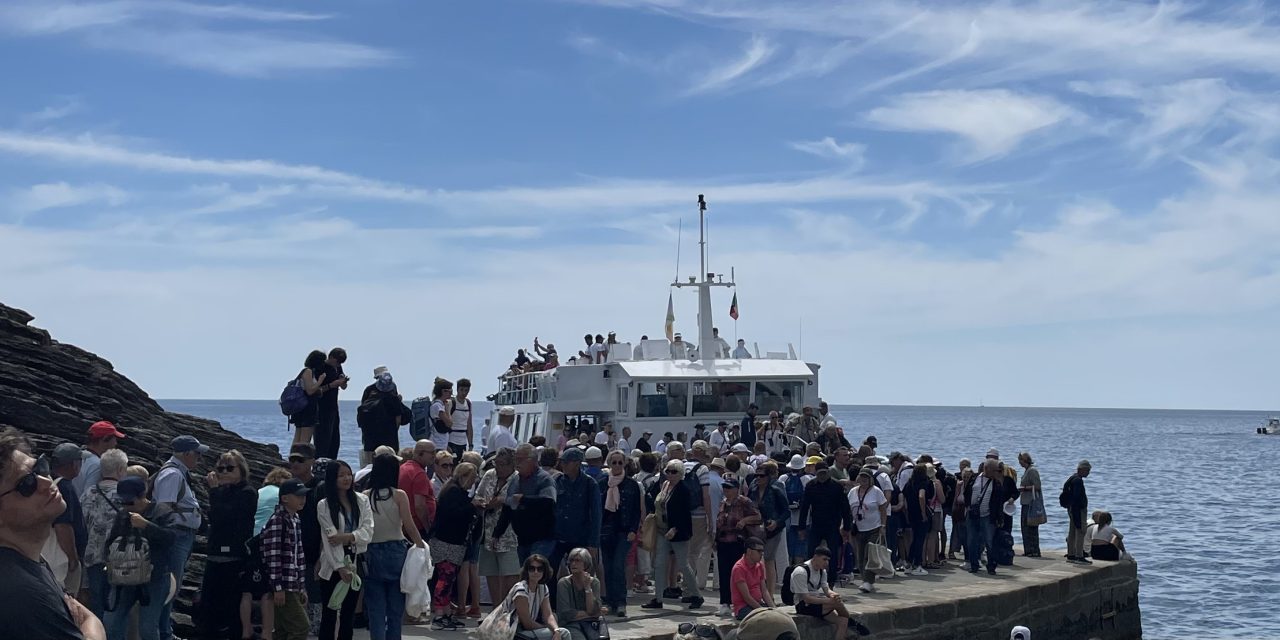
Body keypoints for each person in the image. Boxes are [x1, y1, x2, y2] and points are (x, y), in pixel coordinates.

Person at [0, 428, 106, 640]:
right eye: (26, 485)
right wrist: (92, 626)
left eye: (39, 467)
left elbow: (81, 614)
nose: (46, 482)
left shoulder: (30, 561)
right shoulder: (22, 595)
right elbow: (87, 619)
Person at [363, 454, 427, 640]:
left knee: (375, 606)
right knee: (395, 607)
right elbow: (408, 524)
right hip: (395, 551)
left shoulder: (366, 496)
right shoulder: (399, 495)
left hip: (372, 550)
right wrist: (420, 545)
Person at [104, 476, 175, 640]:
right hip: (124, 578)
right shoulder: (122, 515)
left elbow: (171, 539)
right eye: (122, 502)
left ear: (142, 496)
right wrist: (111, 561)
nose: (125, 506)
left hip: (154, 578)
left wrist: (147, 526)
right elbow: (110, 542)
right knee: (111, 623)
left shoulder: (162, 511)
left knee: (148, 629)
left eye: (129, 502)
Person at [153, 434, 208, 639]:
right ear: (186, 454)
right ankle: (162, 632)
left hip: (181, 535)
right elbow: (163, 508)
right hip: (175, 536)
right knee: (169, 586)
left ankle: (165, 630)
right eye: (197, 454)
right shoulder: (173, 475)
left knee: (171, 586)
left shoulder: (179, 473)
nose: (199, 459)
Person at [200, 450, 259, 640]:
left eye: (230, 468)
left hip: (234, 557)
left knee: (232, 607)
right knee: (209, 606)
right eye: (220, 468)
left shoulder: (247, 492)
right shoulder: (222, 491)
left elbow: (226, 516)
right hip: (215, 554)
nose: (224, 472)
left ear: (241, 470)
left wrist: (215, 491)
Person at [316, 460, 373, 640]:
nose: (346, 478)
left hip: (355, 556)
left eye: (348, 474)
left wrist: (348, 536)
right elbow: (330, 539)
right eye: (341, 475)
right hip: (333, 562)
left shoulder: (361, 500)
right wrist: (340, 567)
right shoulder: (324, 505)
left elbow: (368, 531)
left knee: (348, 613)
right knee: (330, 612)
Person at [641, 460, 703, 610]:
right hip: (663, 531)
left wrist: (675, 529)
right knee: (659, 564)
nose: (670, 474)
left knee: (683, 564)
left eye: (674, 471)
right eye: (667, 471)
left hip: (678, 532)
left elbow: (684, 514)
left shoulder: (684, 490)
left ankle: (696, 595)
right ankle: (658, 598)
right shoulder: (664, 486)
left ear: (681, 474)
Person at [429, 461, 479, 631]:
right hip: (447, 542)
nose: (473, 482)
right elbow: (454, 514)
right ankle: (439, 615)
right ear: (464, 476)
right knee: (445, 579)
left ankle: (446, 612)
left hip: (452, 542)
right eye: (472, 478)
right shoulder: (453, 491)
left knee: (448, 579)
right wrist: (472, 506)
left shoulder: (453, 489)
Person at [80, 448, 127, 617]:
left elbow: (81, 524)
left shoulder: (89, 493)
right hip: (119, 557)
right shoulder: (125, 495)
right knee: (116, 604)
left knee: (96, 602)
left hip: (92, 556)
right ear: (121, 470)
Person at [262, 479, 311, 640]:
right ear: (284, 498)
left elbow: (298, 556)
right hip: (282, 584)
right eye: (298, 496)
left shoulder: (295, 519)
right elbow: (273, 555)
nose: (302, 499)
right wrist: (278, 588)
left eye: (304, 495)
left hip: (293, 584)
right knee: (301, 627)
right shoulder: (278, 520)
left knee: (283, 629)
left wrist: (301, 586)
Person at [597, 450, 641, 617]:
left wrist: (633, 530)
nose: (616, 466)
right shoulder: (601, 483)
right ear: (609, 464)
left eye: (619, 462)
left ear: (625, 464)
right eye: (613, 462)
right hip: (605, 531)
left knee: (618, 565)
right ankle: (609, 600)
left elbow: (636, 510)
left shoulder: (632, 485)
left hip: (624, 531)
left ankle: (621, 601)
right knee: (607, 567)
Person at [477, 447, 521, 610]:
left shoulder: (518, 479)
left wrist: (502, 501)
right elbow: (477, 496)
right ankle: (496, 611)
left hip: (510, 536)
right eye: (496, 463)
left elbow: (517, 503)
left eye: (503, 464)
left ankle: (509, 611)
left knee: (510, 575)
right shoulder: (489, 475)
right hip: (487, 533)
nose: (498, 467)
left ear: (512, 465)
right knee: (491, 572)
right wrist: (485, 504)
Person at [797, 463, 852, 585]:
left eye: (824, 473)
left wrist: (847, 528)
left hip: (833, 526)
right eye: (820, 473)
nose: (822, 475)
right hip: (816, 525)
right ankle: (811, 582)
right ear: (816, 473)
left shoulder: (836, 486)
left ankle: (830, 584)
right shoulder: (811, 486)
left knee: (831, 556)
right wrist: (801, 528)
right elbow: (804, 508)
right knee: (811, 554)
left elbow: (845, 509)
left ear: (828, 472)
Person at [552, 448, 601, 587]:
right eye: (562, 462)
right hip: (558, 535)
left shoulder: (590, 484)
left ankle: (581, 603)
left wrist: (593, 543)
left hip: (580, 536)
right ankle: (553, 603)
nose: (564, 465)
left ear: (578, 464)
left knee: (581, 572)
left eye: (567, 462)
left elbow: (596, 514)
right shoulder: (557, 481)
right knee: (550, 570)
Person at [714, 479, 763, 617]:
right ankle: (725, 602)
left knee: (737, 573)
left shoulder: (744, 502)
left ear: (736, 489)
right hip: (723, 541)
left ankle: (741, 602)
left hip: (737, 541)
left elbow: (758, 516)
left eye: (729, 488)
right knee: (724, 573)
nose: (726, 490)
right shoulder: (723, 503)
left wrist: (744, 521)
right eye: (725, 488)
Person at [790, 548, 855, 639]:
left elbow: (826, 590)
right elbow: (806, 598)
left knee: (843, 621)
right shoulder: (801, 572)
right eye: (824, 559)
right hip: (803, 605)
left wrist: (834, 595)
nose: (827, 563)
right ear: (816, 557)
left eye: (828, 560)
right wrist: (829, 601)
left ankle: (849, 627)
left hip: (817, 603)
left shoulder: (822, 571)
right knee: (837, 603)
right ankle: (854, 625)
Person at [964, 460, 1014, 575]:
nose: (997, 472)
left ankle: (991, 566)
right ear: (987, 469)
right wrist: (968, 508)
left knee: (989, 541)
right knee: (972, 541)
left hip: (988, 516)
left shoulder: (996, 483)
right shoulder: (974, 478)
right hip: (973, 515)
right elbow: (967, 493)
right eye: (995, 470)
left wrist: (999, 518)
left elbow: (999, 502)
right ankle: (974, 565)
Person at [51, 442, 87, 592]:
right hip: (62, 559)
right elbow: (63, 525)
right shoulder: (65, 487)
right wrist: (72, 558)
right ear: (74, 464)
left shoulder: (49, 483)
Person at [509, 555, 570, 640]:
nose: (536, 572)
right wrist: (546, 628)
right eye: (532, 568)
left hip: (527, 631)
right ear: (527, 571)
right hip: (514, 632)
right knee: (565, 634)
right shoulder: (521, 589)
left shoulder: (543, 588)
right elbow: (527, 623)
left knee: (558, 631)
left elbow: (548, 615)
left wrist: (556, 630)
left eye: (540, 569)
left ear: (544, 571)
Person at [358, 368, 409, 467]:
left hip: (370, 438)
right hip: (389, 438)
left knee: (371, 466)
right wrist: (393, 430)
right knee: (390, 464)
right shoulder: (393, 397)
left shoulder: (369, 392)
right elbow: (398, 418)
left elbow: (362, 414)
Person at [850, 467, 889, 593]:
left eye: (866, 477)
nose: (863, 479)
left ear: (870, 479)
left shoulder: (876, 491)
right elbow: (848, 509)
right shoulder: (852, 492)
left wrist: (883, 526)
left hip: (874, 527)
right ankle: (865, 580)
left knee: (869, 554)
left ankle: (868, 581)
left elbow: (883, 508)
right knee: (860, 556)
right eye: (861, 477)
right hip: (858, 528)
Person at [556, 547, 602, 640]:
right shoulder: (563, 583)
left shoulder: (594, 582)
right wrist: (592, 614)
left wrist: (588, 588)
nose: (573, 564)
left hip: (591, 624)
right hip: (570, 625)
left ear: (585, 564)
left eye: (577, 561)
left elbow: (593, 609)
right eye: (571, 560)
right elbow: (565, 614)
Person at [74, 420, 126, 497]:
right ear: (105, 439)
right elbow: (88, 496)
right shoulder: (97, 465)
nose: (116, 443)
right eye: (114, 439)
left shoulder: (77, 456)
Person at [398, 441, 437, 540]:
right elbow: (419, 506)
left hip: (405, 525)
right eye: (432, 453)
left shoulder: (403, 468)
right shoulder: (419, 474)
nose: (434, 456)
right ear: (420, 453)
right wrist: (427, 528)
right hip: (417, 527)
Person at [316, 347, 349, 460]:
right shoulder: (320, 367)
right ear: (331, 357)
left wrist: (342, 382)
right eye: (337, 362)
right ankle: (320, 463)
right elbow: (315, 390)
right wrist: (331, 385)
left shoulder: (338, 367)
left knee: (334, 441)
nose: (338, 365)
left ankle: (332, 463)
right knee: (322, 440)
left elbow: (343, 386)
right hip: (321, 408)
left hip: (333, 407)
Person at [290, 350, 329, 446]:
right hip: (307, 409)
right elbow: (310, 390)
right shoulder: (308, 371)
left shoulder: (308, 372)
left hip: (301, 409)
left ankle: (294, 458)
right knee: (304, 440)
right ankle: (301, 458)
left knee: (298, 437)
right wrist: (320, 381)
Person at [903, 463, 935, 576]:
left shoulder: (909, 484)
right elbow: (921, 496)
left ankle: (908, 563)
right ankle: (917, 564)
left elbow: (905, 499)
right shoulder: (923, 483)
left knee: (915, 538)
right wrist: (923, 513)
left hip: (911, 514)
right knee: (920, 539)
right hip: (920, 514)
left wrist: (907, 512)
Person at [730, 537, 773, 620]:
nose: (762, 554)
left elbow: (764, 591)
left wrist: (774, 608)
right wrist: (762, 610)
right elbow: (747, 597)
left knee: (776, 615)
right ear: (749, 551)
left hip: (757, 604)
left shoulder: (760, 565)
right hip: (743, 608)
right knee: (764, 618)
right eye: (759, 551)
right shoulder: (739, 568)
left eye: (762, 551)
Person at [782, 454, 812, 565]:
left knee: (788, 548)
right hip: (804, 520)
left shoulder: (783, 478)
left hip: (787, 519)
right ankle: (797, 570)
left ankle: (788, 571)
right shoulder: (807, 479)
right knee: (800, 548)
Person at [1063, 460, 1092, 564]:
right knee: (1080, 531)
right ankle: (1079, 555)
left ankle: (1071, 554)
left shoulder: (1072, 478)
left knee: (1072, 532)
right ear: (1081, 469)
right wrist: (1076, 510)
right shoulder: (1078, 481)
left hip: (1072, 509)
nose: (1088, 473)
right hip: (1078, 510)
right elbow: (1076, 497)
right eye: (1087, 470)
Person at [1018, 452, 1043, 558]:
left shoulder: (1032, 471)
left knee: (1031, 527)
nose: (1019, 463)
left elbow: (1037, 486)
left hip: (1030, 503)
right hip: (1025, 502)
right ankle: (1028, 549)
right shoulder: (1027, 471)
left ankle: (1034, 550)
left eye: (1020, 460)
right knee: (1025, 527)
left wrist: (1024, 488)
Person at [448, 378, 475, 458]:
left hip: (463, 442)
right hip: (451, 440)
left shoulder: (468, 403)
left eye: (466, 390)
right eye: (462, 390)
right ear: (457, 389)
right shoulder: (452, 402)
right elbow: (446, 424)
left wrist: (470, 445)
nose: (464, 393)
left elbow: (469, 425)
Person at [427, 378, 454, 454]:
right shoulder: (438, 406)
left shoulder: (439, 405)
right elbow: (449, 423)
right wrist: (448, 409)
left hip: (441, 443)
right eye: (450, 391)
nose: (451, 394)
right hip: (437, 444)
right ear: (443, 391)